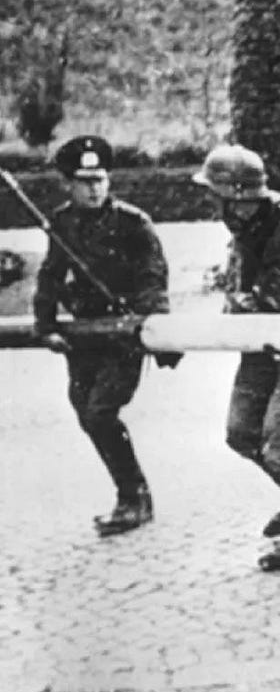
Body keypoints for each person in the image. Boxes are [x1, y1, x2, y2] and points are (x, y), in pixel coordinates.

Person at [33, 135, 177, 536]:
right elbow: (50, 275)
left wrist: (152, 328)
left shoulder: (134, 223)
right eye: (84, 180)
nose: (94, 188)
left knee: (100, 412)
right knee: (84, 409)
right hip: (85, 334)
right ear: (69, 184)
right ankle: (131, 490)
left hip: (124, 334)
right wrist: (45, 325)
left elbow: (153, 277)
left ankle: (133, 497)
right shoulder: (62, 223)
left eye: (100, 179)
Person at [192, 144, 280, 571]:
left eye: (215, 193)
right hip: (259, 347)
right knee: (241, 433)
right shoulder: (240, 225)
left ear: (237, 194)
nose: (210, 202)